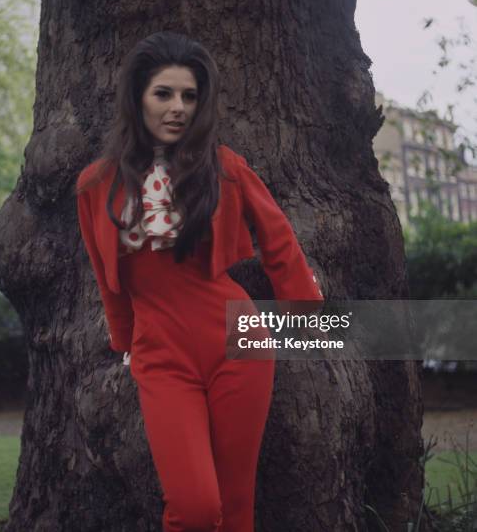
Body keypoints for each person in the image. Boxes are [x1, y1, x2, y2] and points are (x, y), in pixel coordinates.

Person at [76, 31, 324, 532]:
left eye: (189, 96)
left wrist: (307, 312)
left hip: (240, 341)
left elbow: (278, 240)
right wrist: (123, 341)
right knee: (193, 507)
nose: (178, 108)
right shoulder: (95, 185)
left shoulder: (224, 167)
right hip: (159, 356)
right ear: (137, 98)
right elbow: (109, 280)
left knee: (236, 506)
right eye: (163, 93)